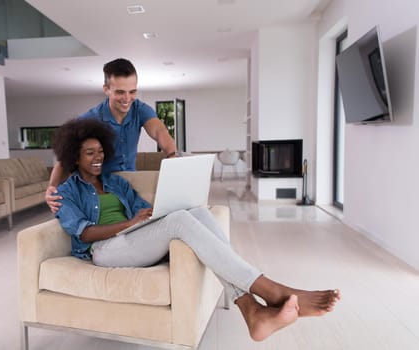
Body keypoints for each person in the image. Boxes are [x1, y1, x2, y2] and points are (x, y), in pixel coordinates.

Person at [52, 118, 341, 342]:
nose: (98, 157)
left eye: (100, 151)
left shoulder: (117, 183)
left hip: (132, 241)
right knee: (180, 221)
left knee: (197, 211)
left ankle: (252, 311)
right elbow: (85, 233)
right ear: (74, 158)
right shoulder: (66, 192)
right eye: (89, 153)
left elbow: (147, 213)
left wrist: (158, 209)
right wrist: (130, 223)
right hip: (102, 251)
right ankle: (272, 291)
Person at [45, 58, 176, 213]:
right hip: (102, 185)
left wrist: (172, 156)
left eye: (132, 92)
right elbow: (65, 158)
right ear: (106, 89)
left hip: (129, 181)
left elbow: (159, 131)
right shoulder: (91, 119)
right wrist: (51, 188)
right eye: (120, 92)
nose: (127, 99)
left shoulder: (140, 109)